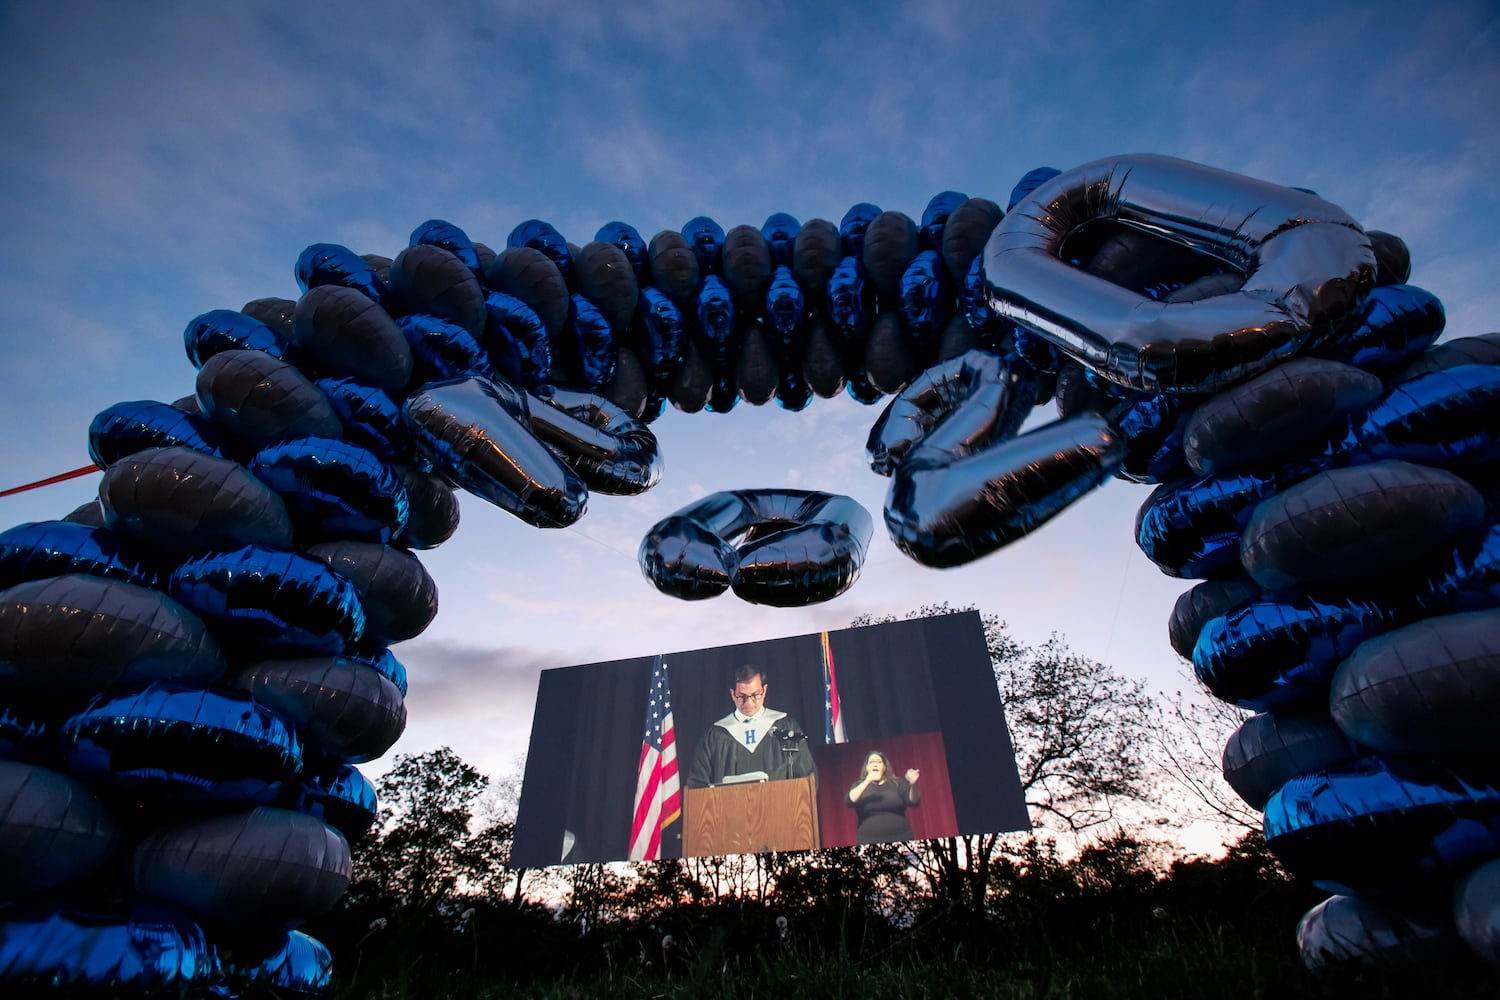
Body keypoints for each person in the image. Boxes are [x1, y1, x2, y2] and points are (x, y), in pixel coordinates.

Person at [685, 664, 816, 788]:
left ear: (764, 691)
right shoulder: (715, 736)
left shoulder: (786, 728)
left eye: (755, 695)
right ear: (732, 694)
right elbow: (698, 786)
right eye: (741, 696)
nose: (748, 703)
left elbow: (806, 779)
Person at [846, 750, 920, 844]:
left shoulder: (897, 783)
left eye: (879, 762)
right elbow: (849, 801)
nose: (875, 764)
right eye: (871, 762)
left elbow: (914, 801)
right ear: (867, 767)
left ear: (884, 767)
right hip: (869, 840)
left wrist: (913, 784)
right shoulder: (859, 785)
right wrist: (867, 781)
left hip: (901, 837)